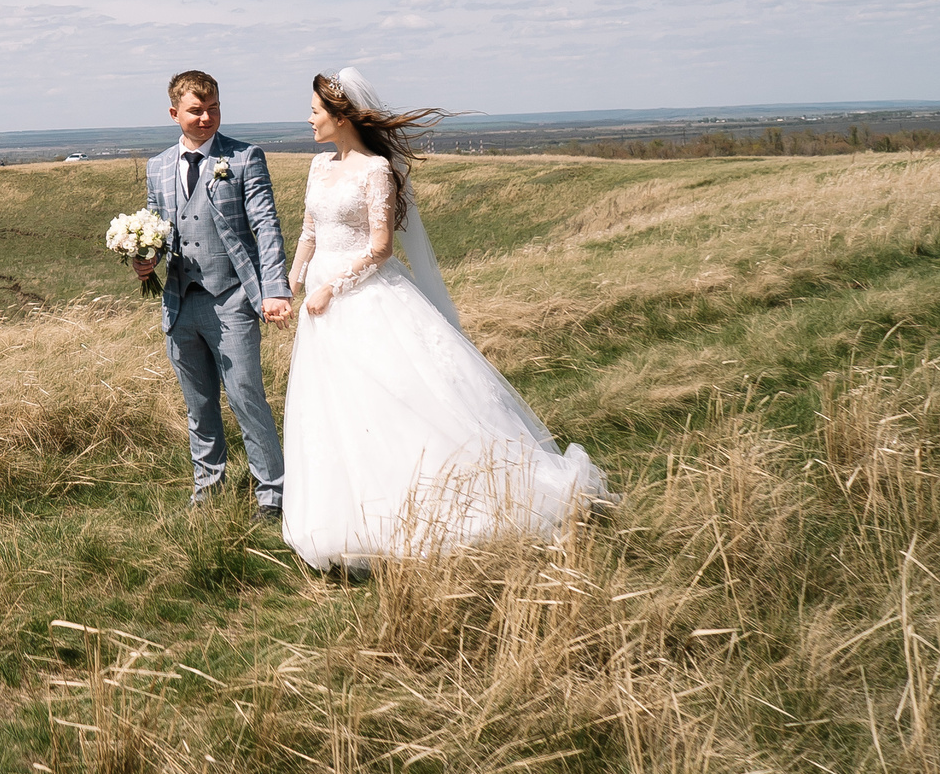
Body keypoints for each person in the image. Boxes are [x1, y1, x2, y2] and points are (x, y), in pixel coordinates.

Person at [282, 67, 610, 571]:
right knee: (332, 409)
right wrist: (294, 280)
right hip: (319, 308)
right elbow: (309, 229)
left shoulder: (375, 171)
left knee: (393, 402)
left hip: (363, 297)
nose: (308, 120)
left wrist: (332, 286)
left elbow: (381, 248)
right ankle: (343, 521)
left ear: (341, 117)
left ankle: (425, 515)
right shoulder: (319, 167)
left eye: (315, 111)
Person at [138, 69, 292, 519]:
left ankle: (273, 494)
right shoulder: (158, 166)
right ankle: (208, 490)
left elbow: (266, 227)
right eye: (196, 110)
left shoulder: (244, 158)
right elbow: (156, 226)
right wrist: (141, 259)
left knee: (247, 396)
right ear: (174, 113)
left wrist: (274, 289)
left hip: (233, 299)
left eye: (214, 108)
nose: (207, 118)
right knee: (198, 404)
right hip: (180, 302)